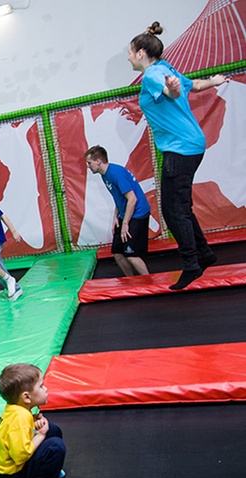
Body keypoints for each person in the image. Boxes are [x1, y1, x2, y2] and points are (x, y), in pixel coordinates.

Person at [128, 22, 228, 290]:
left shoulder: (152, 75)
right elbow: (192, 86)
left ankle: (192, 265)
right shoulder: (166, 68)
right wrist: (214, 82)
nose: (128, 57)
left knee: (173, 212)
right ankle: (204, 253)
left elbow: (172, 91)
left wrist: (172, 89)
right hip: (191, 145)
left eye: (130, 52)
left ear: (140, 53)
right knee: (180, 207)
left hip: (179, 148)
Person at [0, 363, 69, 478]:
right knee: (55, 446)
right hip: (12, 477)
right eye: (41, 386)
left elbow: (17, 431)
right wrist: (40, 434)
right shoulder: (19, 418)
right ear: (26, 397)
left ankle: (50, 472)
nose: (45, 389)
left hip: (12, 469)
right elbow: (20, 456)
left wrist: (34, 421)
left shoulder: (17, 410)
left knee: (53, 430)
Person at [84, 145, 151, 276]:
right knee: (117, 252)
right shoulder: (105, 175)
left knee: (132, 255)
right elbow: (119, 196)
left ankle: (150, 282)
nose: (87, 166)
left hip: (138, 213)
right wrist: (116, 216)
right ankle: (131, 280)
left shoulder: (116, 173)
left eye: (89, 162)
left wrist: (125, 223)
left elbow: (132, 199)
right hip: (125, 213)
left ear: (98, 161)